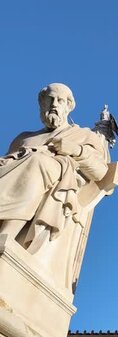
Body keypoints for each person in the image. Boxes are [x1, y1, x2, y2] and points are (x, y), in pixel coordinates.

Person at [0, 83, 109, 248]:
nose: (54, 105)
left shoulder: (83, 135)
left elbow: (100, 171)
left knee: (36, 161)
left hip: (49, 175)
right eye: (50, 100)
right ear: (42, 104)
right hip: (14, 175)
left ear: (68, 106)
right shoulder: (24, 138)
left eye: (60, 100)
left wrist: (75, 150)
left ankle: (6, 235)